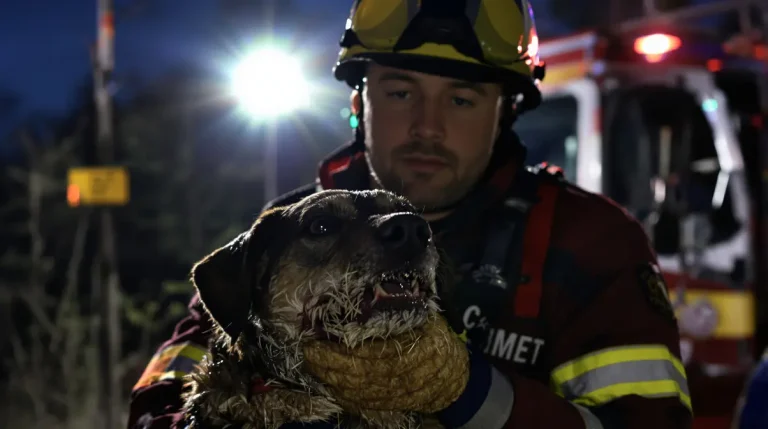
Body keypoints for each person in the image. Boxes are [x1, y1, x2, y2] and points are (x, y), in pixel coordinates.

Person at [127, 1, 693, 428]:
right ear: (358, 102)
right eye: (400, 93)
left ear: (506, 113)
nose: (428, 126)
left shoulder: (591, 243)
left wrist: (469, 392)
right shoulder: (288, 231)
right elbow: (166, 390)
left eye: (462, 99)